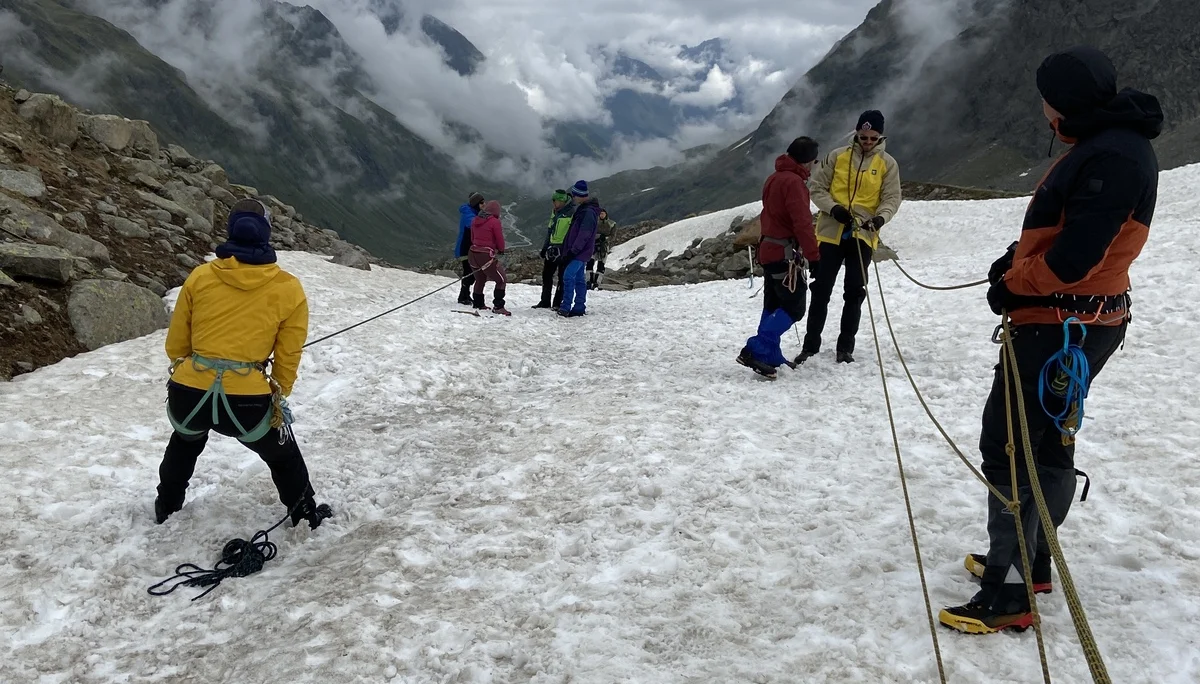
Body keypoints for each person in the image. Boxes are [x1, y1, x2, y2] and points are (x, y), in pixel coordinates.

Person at [939, 46, 1162, 634]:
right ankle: (1030, 561)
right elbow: (1071, 234)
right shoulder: (1113, 145)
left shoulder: (1108, 155)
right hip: (1085, 321)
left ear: (1059, 101)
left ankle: (1010, 591)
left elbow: (1072, 260)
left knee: (1009, 443)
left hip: (1058, 324)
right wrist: (1015, 261)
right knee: (1047, 438)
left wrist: (1013, 283)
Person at [155, 198, 332, 529]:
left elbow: (176, 344)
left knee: (184, 442)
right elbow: (288, 353)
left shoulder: (201, 276)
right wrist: (279, 394)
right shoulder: (288, 288)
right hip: (247, 401)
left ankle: (166, 507)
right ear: (266, 234)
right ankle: (305, 513)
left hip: (189, 392)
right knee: (283, 456)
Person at [799, 110, 902, 364]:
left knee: (855, 291)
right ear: (856, 133)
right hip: (831, 230)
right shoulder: (837, 156)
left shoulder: (887, 164)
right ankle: (810, 346)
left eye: (872, 138)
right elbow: (817, 187)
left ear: (880, 137)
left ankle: (845, 349)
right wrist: (833, 208)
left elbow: (891, 198)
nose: (867, 142)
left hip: (864, 233)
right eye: (863, 136)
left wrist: (880, 218)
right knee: (821, 289)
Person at [737, 137, 821, 380]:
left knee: (773, 303)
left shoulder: (774, 178)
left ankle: (771, 353)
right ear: (807, 160)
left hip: (769, 249)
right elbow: (802, 223)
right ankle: (757, 347)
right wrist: (814, 256)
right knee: (794, 307)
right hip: (784, 253)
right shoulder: (794, 183)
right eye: (813, 161)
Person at [558, 180, 600, 317]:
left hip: (579, 252)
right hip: (582, 252)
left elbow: (584, 235)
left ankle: (565, 307)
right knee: (579, 279)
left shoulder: (587, 212)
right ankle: (579, 306)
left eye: (575, 195)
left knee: (568, 276)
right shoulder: (586, 210)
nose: (574, 198)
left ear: (581, 195)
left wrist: (573, 251)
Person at [468, 199, 511, 315]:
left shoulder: (475, 220)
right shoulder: (494, 222)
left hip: (472, 253)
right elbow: (499, 239)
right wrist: (501, 250)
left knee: (480, 279)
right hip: (486, 255)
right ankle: (498, 306)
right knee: (501, 280)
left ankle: (478, 303)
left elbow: (472, 238)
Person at [534, 189, 575, 309]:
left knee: (562, 277)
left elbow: (572, 233)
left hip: (563, 249)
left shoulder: (571, 213)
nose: (553, 203)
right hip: (552, 248)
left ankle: (557, 303)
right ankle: (545, 301)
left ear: (562, 201)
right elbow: (550, 230)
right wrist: (545, 247)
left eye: (555, 201)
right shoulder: (555, 212)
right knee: (546, 275)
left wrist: (568, 250)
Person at [456, 192, 485, 306]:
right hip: (465, 247)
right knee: (469, 272)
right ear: (476, 204)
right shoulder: (469, 214)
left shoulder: (472, 212)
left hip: (469, 248)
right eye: (482, 203)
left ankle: (465, 295)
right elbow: (472, 224)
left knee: (470, 272)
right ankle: (463, 296)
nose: (484, 204)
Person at [587, 208, 617, 290]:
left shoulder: (612, 224)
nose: (601, 215)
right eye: (600, 214)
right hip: (593, 245)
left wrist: (605, 238)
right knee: (590, 263)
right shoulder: (594, 223)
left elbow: (613, 236)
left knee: (601, 265)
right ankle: (588, 281)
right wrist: (598, 237)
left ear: (606, 214)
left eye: (603, 213)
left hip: (604, 247)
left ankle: (597, 282)